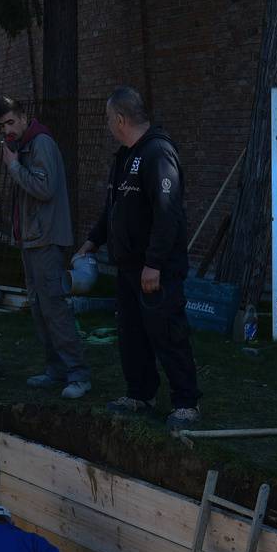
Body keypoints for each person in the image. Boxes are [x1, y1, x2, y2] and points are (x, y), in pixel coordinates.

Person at [75, 86, 202, 428]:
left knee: (167, 332)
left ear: (120, 119)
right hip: (129, 268)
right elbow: (114, 210)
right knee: (132, 334)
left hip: (155, 270)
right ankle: (140, 394)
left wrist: (154, 263)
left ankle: (186, 402)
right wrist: (93, 240)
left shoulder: (157, 154)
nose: (107, 125)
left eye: (107, 118)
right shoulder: (125, 157)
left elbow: (168, 213)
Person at [0, 96, 90, 398]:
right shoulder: (23, 146)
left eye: (10, 122)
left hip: (46, 240)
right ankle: (56, 370)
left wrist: (13, 167)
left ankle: (78, 374)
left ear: (23, 117)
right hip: (31, 241)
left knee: (55, 309)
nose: (7, 129)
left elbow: (45, 189)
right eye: (1, 125)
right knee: (39, 310)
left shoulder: (41, 143)